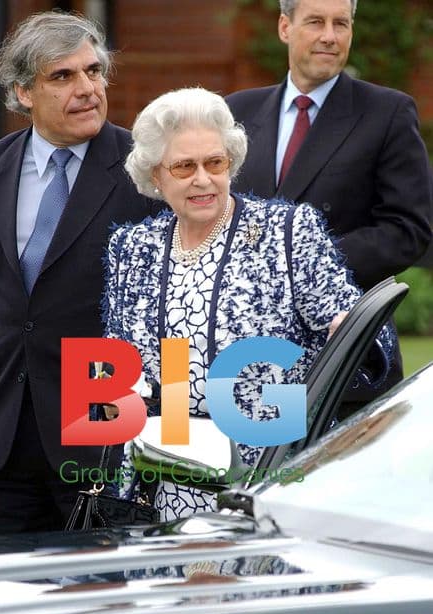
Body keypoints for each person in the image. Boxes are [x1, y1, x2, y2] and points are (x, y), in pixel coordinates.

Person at [0, 11, 153, 536]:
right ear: (23, 91)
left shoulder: (145, 169)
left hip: (106, 443)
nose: (87, 88)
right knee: (4, 606)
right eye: (63, 76)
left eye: (94, 71)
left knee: (101, 609)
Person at [103, 87, 365, 521]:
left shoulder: (285, 233)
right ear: (155, 176)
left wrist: (346, 330)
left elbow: (365, 336)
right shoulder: (133, 248)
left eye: (215, 162)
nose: (203, 179)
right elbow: (117, 363)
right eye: (185, 166)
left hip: (268, 487)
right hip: (164, 489)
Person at [226, 0, 432, 409]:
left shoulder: (387, 112)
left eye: (341, 23)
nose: (330, 36)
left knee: (338, 472)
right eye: (316, 22)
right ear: (285, 27)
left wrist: (305, 261)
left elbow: (409, 230)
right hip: (244, 346)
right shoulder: (236, 111)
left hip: (344, 348)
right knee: (253, 468)